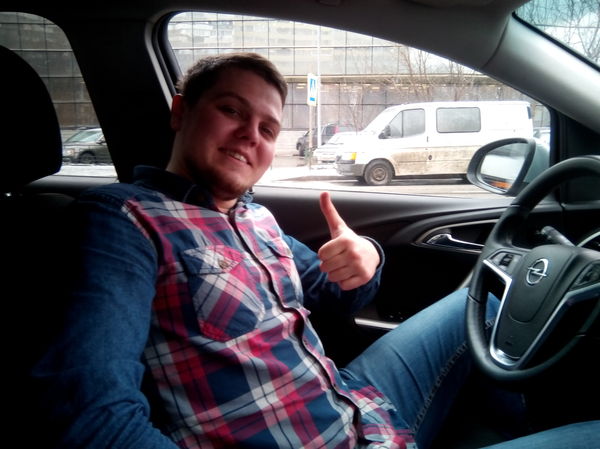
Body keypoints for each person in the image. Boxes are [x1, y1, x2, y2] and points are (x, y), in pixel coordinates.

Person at [33, 53, 598, 449]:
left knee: (490, 297)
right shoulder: (123, 220)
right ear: (181, 112)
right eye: (232, 110)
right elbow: (89, 415)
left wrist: (366, 258)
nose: (251, 135)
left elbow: (334, 293)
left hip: (356, 405)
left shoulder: (254, 216)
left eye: (268, 127)